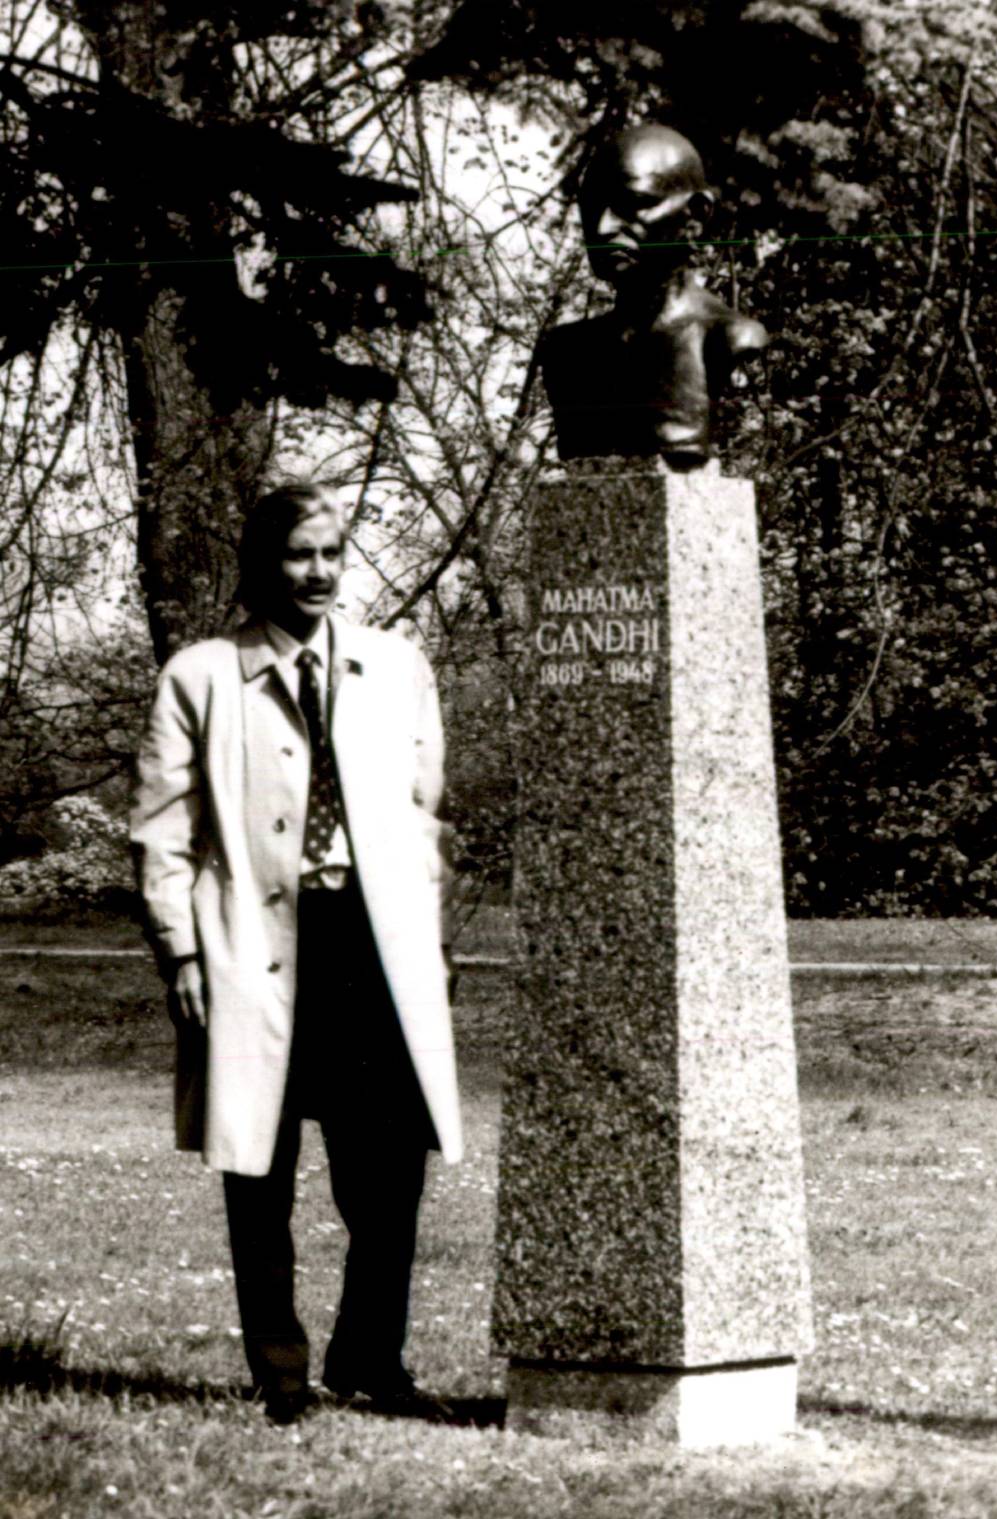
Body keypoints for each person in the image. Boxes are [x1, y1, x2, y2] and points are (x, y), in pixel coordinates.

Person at [130, 483, 463, 1424]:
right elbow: (161, 831)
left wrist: (433, 940)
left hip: (373, 947)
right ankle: (280, 1373)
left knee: (391, 1165)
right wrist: (182, 955)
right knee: (257, 1167)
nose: (318, 574)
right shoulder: (201, 675)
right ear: (259, 564)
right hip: (249, 942)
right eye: (297, 556)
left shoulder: (393, 665)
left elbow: (421, 816)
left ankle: (371, 1360)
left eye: (331, 553)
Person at [538, 122, 768, 467]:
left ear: (697, 215)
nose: (603, 228)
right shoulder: (566, 352)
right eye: (592, 208)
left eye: (633, 204)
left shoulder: (728, 337)